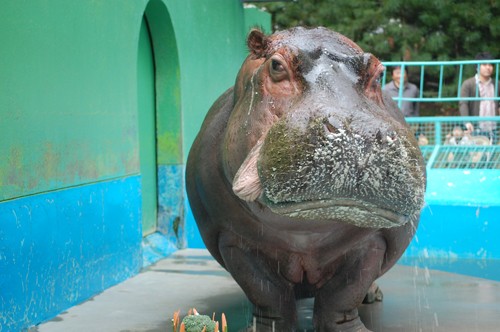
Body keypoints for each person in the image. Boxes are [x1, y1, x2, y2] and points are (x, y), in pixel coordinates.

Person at [459, 52, 499, 143]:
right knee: (476, 155)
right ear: (477, 66)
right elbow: (463, 103)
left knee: (491, 155)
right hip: (475, 127)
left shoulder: (496, 84)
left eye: (490, 65)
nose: (488, 67)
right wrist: (467, 122)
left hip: (493, 127)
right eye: (484, 65)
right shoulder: (468, 84)